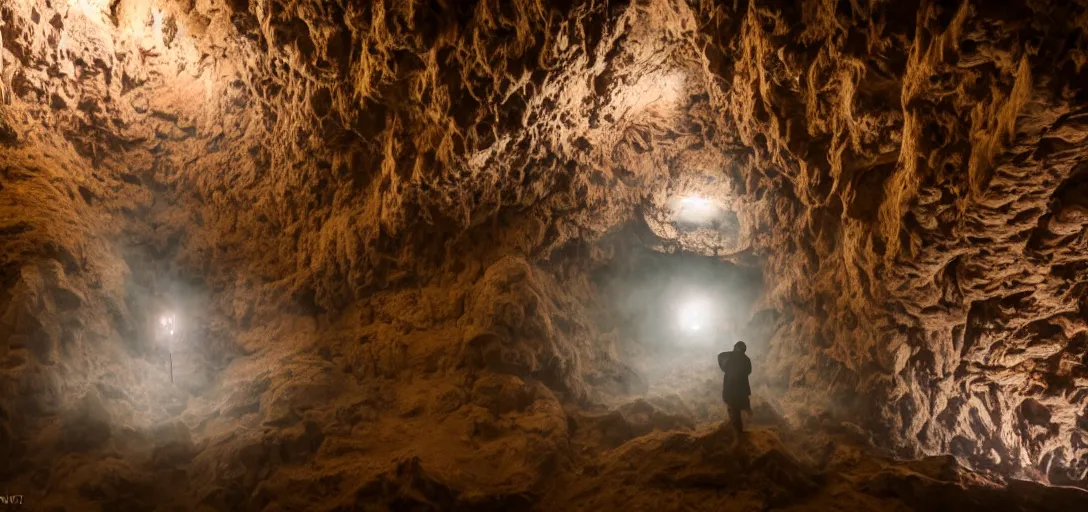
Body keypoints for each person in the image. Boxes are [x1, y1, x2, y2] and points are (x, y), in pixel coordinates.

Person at [719, 341, 752, 441]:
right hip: (742, 391)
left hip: (730, 390)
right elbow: (749, 371)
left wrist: (725, 368)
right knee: (746, 408)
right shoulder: (746, 359)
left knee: (734, 412)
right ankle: (751, 425)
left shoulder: (728, 356)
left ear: (736, 347)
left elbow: (720, 357)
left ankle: (738, 438)